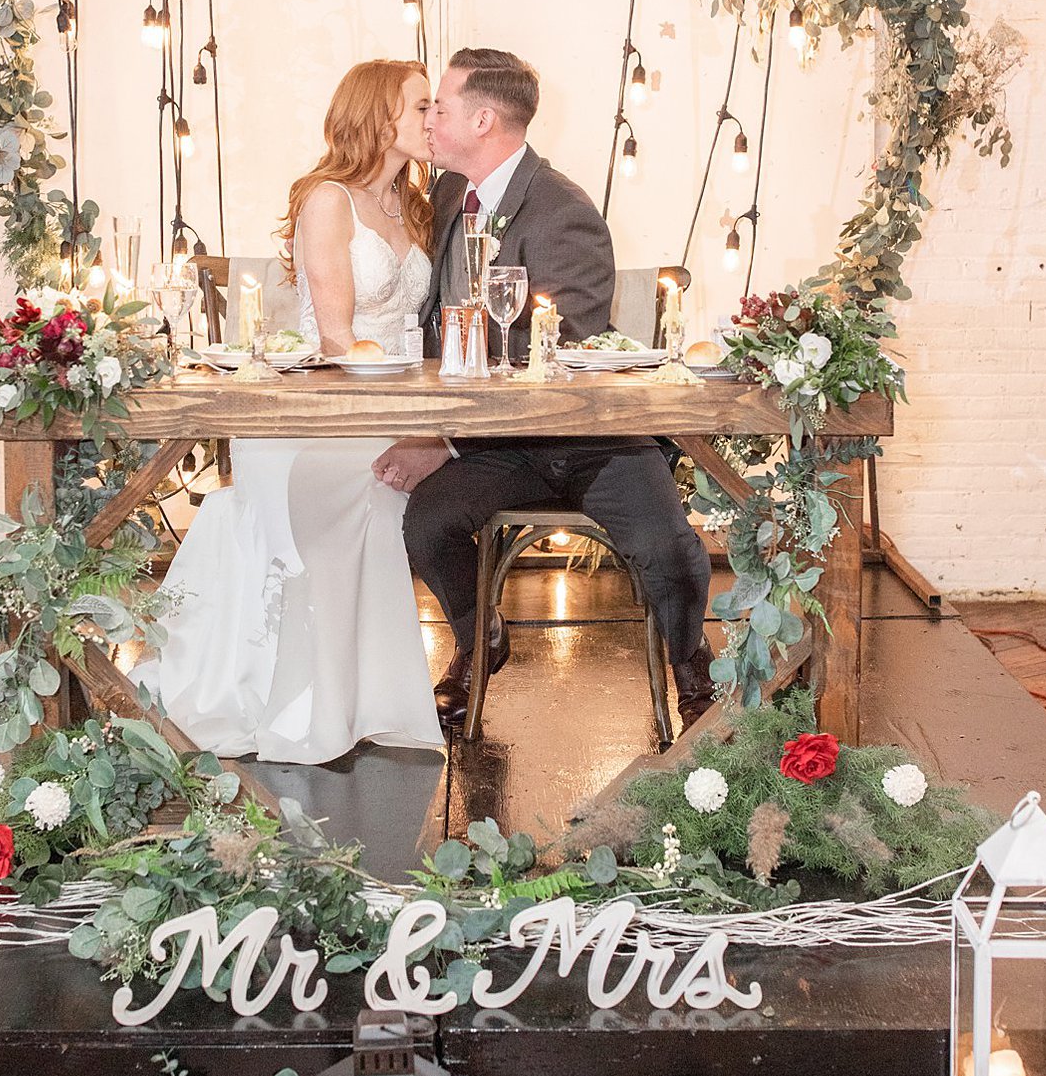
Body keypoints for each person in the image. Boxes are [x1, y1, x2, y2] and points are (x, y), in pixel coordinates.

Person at [371, 45, 716, 730]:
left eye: (441, 107)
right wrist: (441, 437)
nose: (431, 121)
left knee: (665, 544)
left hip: (590, 442)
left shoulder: (564, 211)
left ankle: (693, 670)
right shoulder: (444, 197)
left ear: (482, 121)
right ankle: (480, 640)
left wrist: (449, 439)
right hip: (503, 451)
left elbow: (565, 352)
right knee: (428, 521)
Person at [140, 60, 444, 765]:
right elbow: (336, 335)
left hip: (402, 399)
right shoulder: (327, 199)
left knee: (405, 479)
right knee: (367, 482)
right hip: (324, 405)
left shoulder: (419, 204)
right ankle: (304, 701)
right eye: (422, 106)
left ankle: (364, 699)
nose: (435, 119)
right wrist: (400, 410)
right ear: (378, 115)